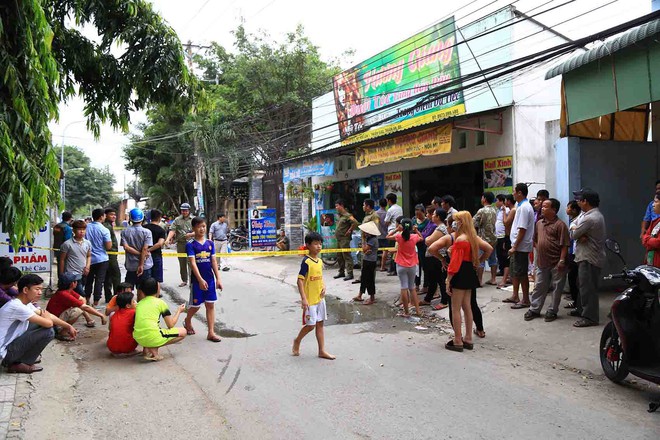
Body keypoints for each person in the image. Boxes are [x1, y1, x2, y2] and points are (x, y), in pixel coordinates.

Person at [429, 211, 493, 352]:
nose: (454, 223)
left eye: (456, 221)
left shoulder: (460, 239)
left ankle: (458, 340)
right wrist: (479, 262)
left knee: (456, 308)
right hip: (470, 271)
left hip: (459, 273)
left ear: (462, 222)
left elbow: (455, 263)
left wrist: (448, 279)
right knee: (467, 306)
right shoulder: (472, 237)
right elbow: (489, 249)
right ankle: (468, 338)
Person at [0, 274, 77, 373]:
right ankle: (22, 363)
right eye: (37, 289)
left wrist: (68, 326)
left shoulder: (24, 303)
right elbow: (49, 323)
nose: (40, 293)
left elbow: (47, 315)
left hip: (8, 346)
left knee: (38, 324)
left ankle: (21, 359)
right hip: (4, 354)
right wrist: (46, 318)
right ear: (25, 290)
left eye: (41, 289)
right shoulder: (17, 307)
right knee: (48, 331)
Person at [524, 199, 570, 322]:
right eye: (542, 207)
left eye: (545, 207)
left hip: (556, 262)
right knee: (539, 286)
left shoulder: (560, 225)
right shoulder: (539, 223)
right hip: (542, 261)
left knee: (556, 287)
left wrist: (561, 260)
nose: (542, 209)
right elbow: (536, 240)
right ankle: (534, 309)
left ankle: (552, 310)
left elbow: (565, 244)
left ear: (553, 210)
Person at [292, 232, 335, 360]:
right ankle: (297, 340)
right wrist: (304, 299)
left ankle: (322, 351)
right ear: (308, 245)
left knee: (320, 324)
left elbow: (320, 277)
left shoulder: (319, 261)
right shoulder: (306, 262)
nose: (318, 246)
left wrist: (324, 287)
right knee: (311, 325)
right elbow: (299, 280)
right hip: (310, 300)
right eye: (315, 244)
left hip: (320, 299)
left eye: (320, 244)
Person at [570, 188, 606, 327]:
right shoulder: (587, 215)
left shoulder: (590, 218)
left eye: (580, 200)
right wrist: (576, 229)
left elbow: (573, 234)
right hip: (586, 255)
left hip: (589, 257)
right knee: (582, 285)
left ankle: (590, 317)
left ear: (585, 201)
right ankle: (582, 309)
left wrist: (575, 230)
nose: (578, 202)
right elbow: (573, 223)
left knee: (588, 288)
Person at [183, 217, 223, 343]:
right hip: (197, 281)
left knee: (210, 305)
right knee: (195, 306)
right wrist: (200, 280)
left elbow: (213, 262)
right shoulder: (190, 245)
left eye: (204, 226)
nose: (202, 229)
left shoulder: (210, 244)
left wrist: (218, 279)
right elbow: (193, 263)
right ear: (194, 228)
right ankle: (187, 320)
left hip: (210, 280)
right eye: (199, 226)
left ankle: (211, 332)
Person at [133, 278, 186, 361]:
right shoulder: (160, 303)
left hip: (138, 337)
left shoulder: (139, 304)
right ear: (158, 290)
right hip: (151, 336)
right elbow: (170, 325)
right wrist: (179, 311)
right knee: (183, 332)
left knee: (150, 327)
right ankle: (153, 348)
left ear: (142, 291)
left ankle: (147, 348)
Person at [45, 272, 107, 340]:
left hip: (57, 317)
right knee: (78, 310)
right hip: (54, 322)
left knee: (80, 306)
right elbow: (85, 307)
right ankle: (62, 333)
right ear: (72, 284)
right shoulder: (64, 294)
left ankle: (89, 320)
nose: (77, 282)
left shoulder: (67, 290)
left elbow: (82, 299)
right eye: (75, 281)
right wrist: (101, 315)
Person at [504, 183, 535, 309]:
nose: (513, 194)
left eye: (514, 191)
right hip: (518, 245)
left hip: (521, 246)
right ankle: (515, 295)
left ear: (520, 193)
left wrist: (515, 246)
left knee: (521, 273)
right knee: (515, 272)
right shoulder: (521, 206)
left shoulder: (524, 208)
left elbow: (522, 229)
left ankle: (526, 299)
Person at [387, 218, 423, 318]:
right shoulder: (414, 236)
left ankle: (406, 312)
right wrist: (416, 230)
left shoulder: (399, 236)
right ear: (411, 226)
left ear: (401, 226)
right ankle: (418, 311)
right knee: (412, 288)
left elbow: (387, 236)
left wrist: (397, 230)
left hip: (401, 264)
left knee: (404, 287)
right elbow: (422, 238)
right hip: (412, 265)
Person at [84, 208, 112, 306]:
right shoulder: (104, 230)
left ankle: (86, 300)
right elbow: (108, 246)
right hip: (102, 259)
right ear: (101, 217)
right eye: (104, 215)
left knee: (88, 280)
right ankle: (95, 303)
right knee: (99, 281)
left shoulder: (86, 227)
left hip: (88, 259)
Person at [423, 208, 449, 309]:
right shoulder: (438, 227)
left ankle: (444, 301)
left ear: (438, 217)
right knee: (432, 279)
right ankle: (428, 299)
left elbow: (428, 241)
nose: (432, 216)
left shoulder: (441, 228)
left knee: (440, 279)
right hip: (433, 257)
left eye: (434, 215)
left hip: (438, 257)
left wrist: (427, 238)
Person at [121, 208, 154, 287]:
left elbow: (126, 247)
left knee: (128, 289)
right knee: (143, 289)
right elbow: (145, 249)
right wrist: (141, 265)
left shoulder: (124, 232)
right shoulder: (147, 232)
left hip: (131, 265)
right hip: (145, 266)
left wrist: (139, 254)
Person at [59, 220, 91, 297]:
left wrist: (87, 267)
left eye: (83, 230)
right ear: (74, 230)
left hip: (83, 272)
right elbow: (62, 259)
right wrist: (61, 274)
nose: (82, 232)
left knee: (75, 295)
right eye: (79, 229)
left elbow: (89, 256)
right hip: (71, 274)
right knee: (81, 294)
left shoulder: (87, 243)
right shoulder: (67, 244)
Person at [166, 203, 194, 287]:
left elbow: (199, 230)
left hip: (192, 243)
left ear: (189, 210)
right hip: (181, 244)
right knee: (182, 263)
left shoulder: (194, 219)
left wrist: (191, 234)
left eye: (186, 210)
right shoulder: (177, 220)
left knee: (191, 262)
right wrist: (168, 239)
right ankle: (184, 280)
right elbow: (172, 230)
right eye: (182, 210)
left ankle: (192, 281)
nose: (184, 212)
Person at [473, 192, 498, 286]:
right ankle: (493, 279)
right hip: (493, 237)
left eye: (482, 197)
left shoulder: (481, 211)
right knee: (493, 259)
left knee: (481, 260)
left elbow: (473, 223)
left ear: (485, 199)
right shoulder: (495, 210)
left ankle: (479, 281)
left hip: (483, 238)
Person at [353, 199, 380, 284]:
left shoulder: (375, 215)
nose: (363, 207)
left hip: (370, 241)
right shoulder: (366, 216)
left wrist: (369, 241)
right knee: (363, 260)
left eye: (364, 205)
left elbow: (375, 228)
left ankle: (371, 279)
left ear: (368, 206)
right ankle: (363, 277)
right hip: (364, 240)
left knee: (370, 261)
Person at [353, 221, 380, 305]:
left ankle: (372, 297)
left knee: (369, 279)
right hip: (367, 260)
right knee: (364, 278)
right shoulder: (370, 239)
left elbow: (364, 249)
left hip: (370, 261)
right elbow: (365, 250)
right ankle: (360, 295)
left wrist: (364, 241)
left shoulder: (372, 240)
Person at [107, 291, 139, 357]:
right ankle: (128, 351)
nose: (135, 303)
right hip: (127, 347)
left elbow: (110, 329)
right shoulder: (133, 312)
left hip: (111, 347)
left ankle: (118, 350)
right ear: (128, 306)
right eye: (133, 302)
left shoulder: (114, 314)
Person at [333, 199, 359, 281]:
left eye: (337, 206)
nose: (336, 208)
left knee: (346, 256)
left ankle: (350, 273)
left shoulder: (348, 215)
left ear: (341, 205)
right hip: (339, 239)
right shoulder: (340, 216)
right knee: (339, 256)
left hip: (345, 239)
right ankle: (341, 272)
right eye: (336, 206)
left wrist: (350, 230)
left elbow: (355, 222)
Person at [565, 201, 581, 310]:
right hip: (573, 252)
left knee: (574, 278)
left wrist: (573, 228)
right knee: (572, 277)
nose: (567, 209)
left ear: (574, 210)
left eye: (568, 207)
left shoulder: (579, 221)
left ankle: (578, 303)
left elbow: (579, 236)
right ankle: (576, 301)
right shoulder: (573, 220)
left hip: (578, 254)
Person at [102, 208, 121, 304]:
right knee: (116, 275)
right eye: (111, 214)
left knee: (108, 276)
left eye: (114, 214)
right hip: (110, 254)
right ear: (106, 215)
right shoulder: (107, 227)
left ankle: (109, 297)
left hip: (110, 254)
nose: (113, 216)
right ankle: (117, 297)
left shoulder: (108, 225)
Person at [144, 209, 167, 282]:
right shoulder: (161, 230)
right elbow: (159, 244)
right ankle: (156, 293)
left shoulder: (144, 228)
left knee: (144, 279)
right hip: (156, 255)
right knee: (157, 280)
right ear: (159, 218)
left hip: (144, 256)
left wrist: (145, 250)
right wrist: (149, 250)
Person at [383, 193, 403, 274]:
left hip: (392, 232)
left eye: (387, 200)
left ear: (389, 201)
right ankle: (394, 268)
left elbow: (386, 222)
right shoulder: (400, 208)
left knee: (392, 252)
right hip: (399, 232)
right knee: (397, 251)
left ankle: (393, 269)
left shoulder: (390, 210)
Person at [53, 211, 73, 278]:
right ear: (70, 218)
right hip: (65, 250)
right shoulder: (67, 228)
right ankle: (64, 282)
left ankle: (60, 280)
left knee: (59, 265)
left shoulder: (56, 226)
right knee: (65, 267)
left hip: (56, 248)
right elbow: (68, 240)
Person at [642, 192, 660, 267]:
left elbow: (658, 242)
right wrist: (649, 240)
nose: (653, 205)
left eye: (656, 202)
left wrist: (648, 240)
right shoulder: (655, 221)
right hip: (651, 262)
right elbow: (644, 239)